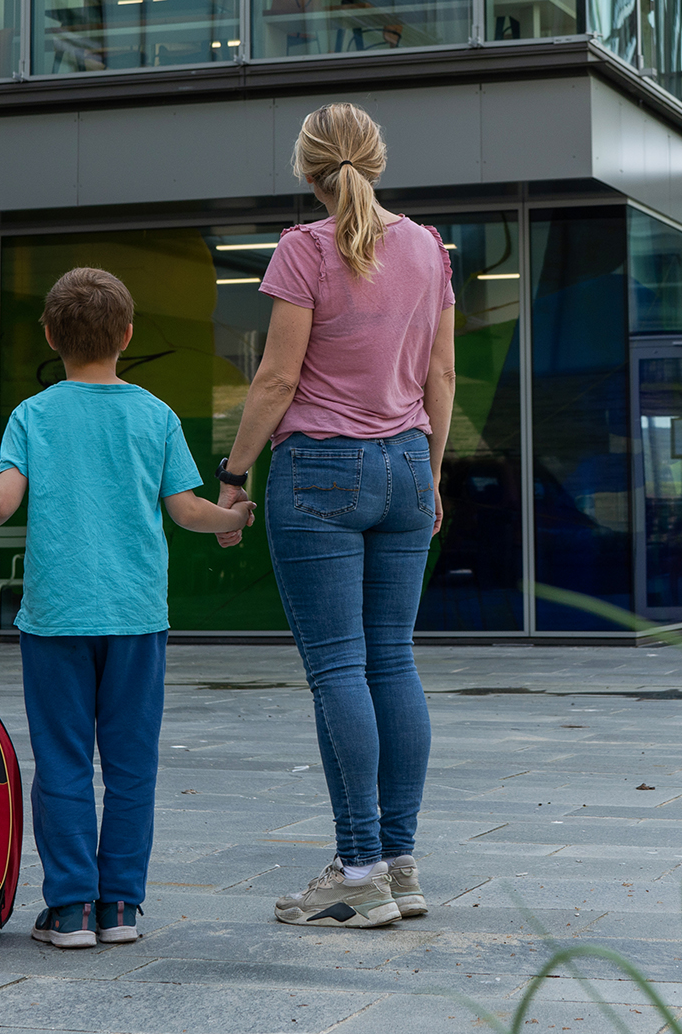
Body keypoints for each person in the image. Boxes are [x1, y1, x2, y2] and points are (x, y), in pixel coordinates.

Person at [0, 266, 254, 949]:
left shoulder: (33, 414)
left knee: (65, 760)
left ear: (51, 333)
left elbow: (2, 500)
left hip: (56, 620)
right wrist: (233, 513)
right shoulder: (155, 414)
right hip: (137, 617)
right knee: (132, 765)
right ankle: (121, 908)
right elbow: (187, 510)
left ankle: (71, 907)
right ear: (127, 335)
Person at [216, 103, 458, 929]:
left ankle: (358, 870)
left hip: (321, 469)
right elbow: (443, 379)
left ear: (307, 169)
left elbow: (277, 380)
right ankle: (399, 862)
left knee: (338, 668)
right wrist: (429, 475)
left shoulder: (304, 248)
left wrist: (234, 472)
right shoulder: (429, 249)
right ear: (377, 161)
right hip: (403, 466)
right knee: (393, 659)